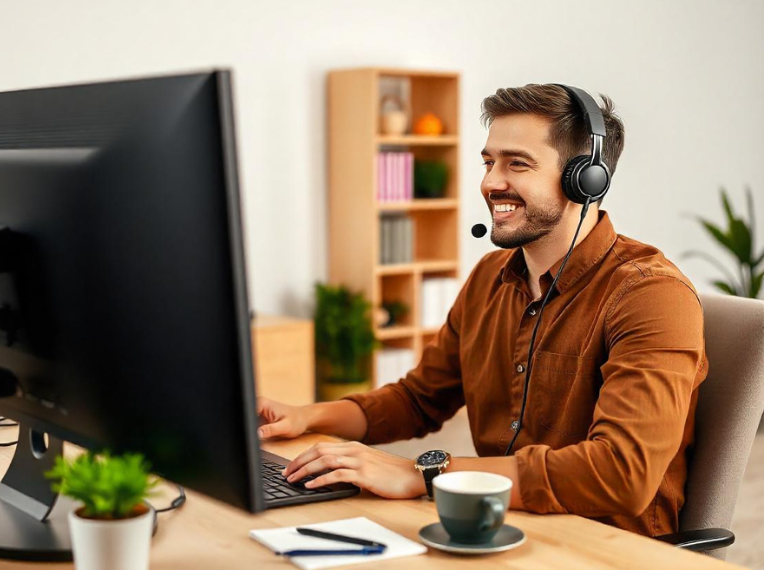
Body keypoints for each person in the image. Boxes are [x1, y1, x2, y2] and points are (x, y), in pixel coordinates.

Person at [257, 83, 707, 538]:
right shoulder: (490, 278)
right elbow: (418, 400)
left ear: (585, 178)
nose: (491, 182)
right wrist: (307, 416)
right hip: (493, 523)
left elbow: (621, 473)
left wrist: (425, 473)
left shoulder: (650, 295)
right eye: (489, 162)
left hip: (603, 547)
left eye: (517, 163)